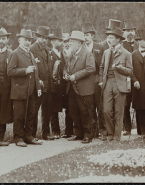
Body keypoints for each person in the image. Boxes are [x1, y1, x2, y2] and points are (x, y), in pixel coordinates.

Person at [7, 29, 42, 147]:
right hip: (19, 91)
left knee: (31, 114)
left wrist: (38, 87)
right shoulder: (15, 53)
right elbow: (10, 71)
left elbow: (35, 72)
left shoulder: (30, 54)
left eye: (29, 40)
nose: (27, 42)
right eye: (25, 40)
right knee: (19, 115)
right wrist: (25, 71)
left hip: (31, 90)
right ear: (19, 40)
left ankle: (28, 136)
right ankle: (18, 138)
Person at [99, 27, 133, 143]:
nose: (108, 40)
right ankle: (110, 133)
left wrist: (120, 68)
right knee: (106, 110)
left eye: (111, 38)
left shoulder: (126, 54)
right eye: (108, 37)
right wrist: (101, 80)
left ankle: (116, 136)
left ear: (118, 40)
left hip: (120, 84)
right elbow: (102, 67)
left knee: (119, 111)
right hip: (108, 82)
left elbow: (130, 70)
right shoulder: (106, 52)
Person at [64, 31, 96, 144]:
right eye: (70, 41)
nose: (70, 43)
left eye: (73, 41)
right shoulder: (71, 54)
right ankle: (78, 134)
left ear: (79, 43)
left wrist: (75, 76)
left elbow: (91, 68)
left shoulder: (88, 53)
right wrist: (66, 74)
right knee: (73, 111)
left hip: (84, 89)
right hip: (72, 88)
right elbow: (66, 67)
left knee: (85, 111)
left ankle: (88, 135)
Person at [82, 22, 105, 140]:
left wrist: (101, 79)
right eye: (84, 35)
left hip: (97, 80)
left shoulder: (99, 47)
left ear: (92, 35)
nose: (85, 37)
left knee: (99, 105)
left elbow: (103, 65)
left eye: (87, 35)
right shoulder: (81, 48)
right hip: (86, 82)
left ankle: (102, 130)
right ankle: (93, 131)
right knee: (89, 107)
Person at [30, 26, 54, 140]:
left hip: (48, 86)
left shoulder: (47, 50)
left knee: (47, 110)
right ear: (37, 37)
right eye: (42, 38)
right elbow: (31, 68)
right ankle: (31, 134)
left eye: (46, 38)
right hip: (37, 86)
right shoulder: (31, 49)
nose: (45, 40)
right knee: (34, 111)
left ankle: (45, 133)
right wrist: (38, 80)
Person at [44, 27, 67, 139]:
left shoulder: (63, 54)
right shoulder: (49, 55)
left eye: (62, 41)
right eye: (60, 41)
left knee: (67, 108)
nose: (62, 43)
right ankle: (56, 131)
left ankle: (68, 131)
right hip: (53, 87)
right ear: (53, 42)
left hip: (64, 87)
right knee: (53, 110)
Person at [121, 20, 139, 136]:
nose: (130, 33)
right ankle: (127, 128)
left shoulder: (139, 44)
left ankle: (140, 128)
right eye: (127, 31)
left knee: (139, 103)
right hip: (125, 78)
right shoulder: (122, 45)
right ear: (124, 33)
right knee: (125, 104)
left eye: (131, 30)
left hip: (138, 79)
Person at [0, 28, 13, 146]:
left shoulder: (11, 53)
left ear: (7, 40)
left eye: (3, 38)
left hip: (5, 89)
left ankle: (1, 139)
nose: (1, 41)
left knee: (3, 113)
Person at [131, 29, 145, 139]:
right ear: (139, 41)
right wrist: (134, 80)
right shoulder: (133, 54)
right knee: (140, 108)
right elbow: (130, 70)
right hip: (138, 86)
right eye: (142, 40)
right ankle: (141, 131)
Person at [61, 33, 74, 138]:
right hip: (63, 85)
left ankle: (74, 130)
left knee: (73, 108)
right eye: (65, 42)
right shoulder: (60, 53)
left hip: (73, 82)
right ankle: (68, 131)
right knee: (67, 108)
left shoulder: (73, 52)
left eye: (69, 41)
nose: (67, 44)